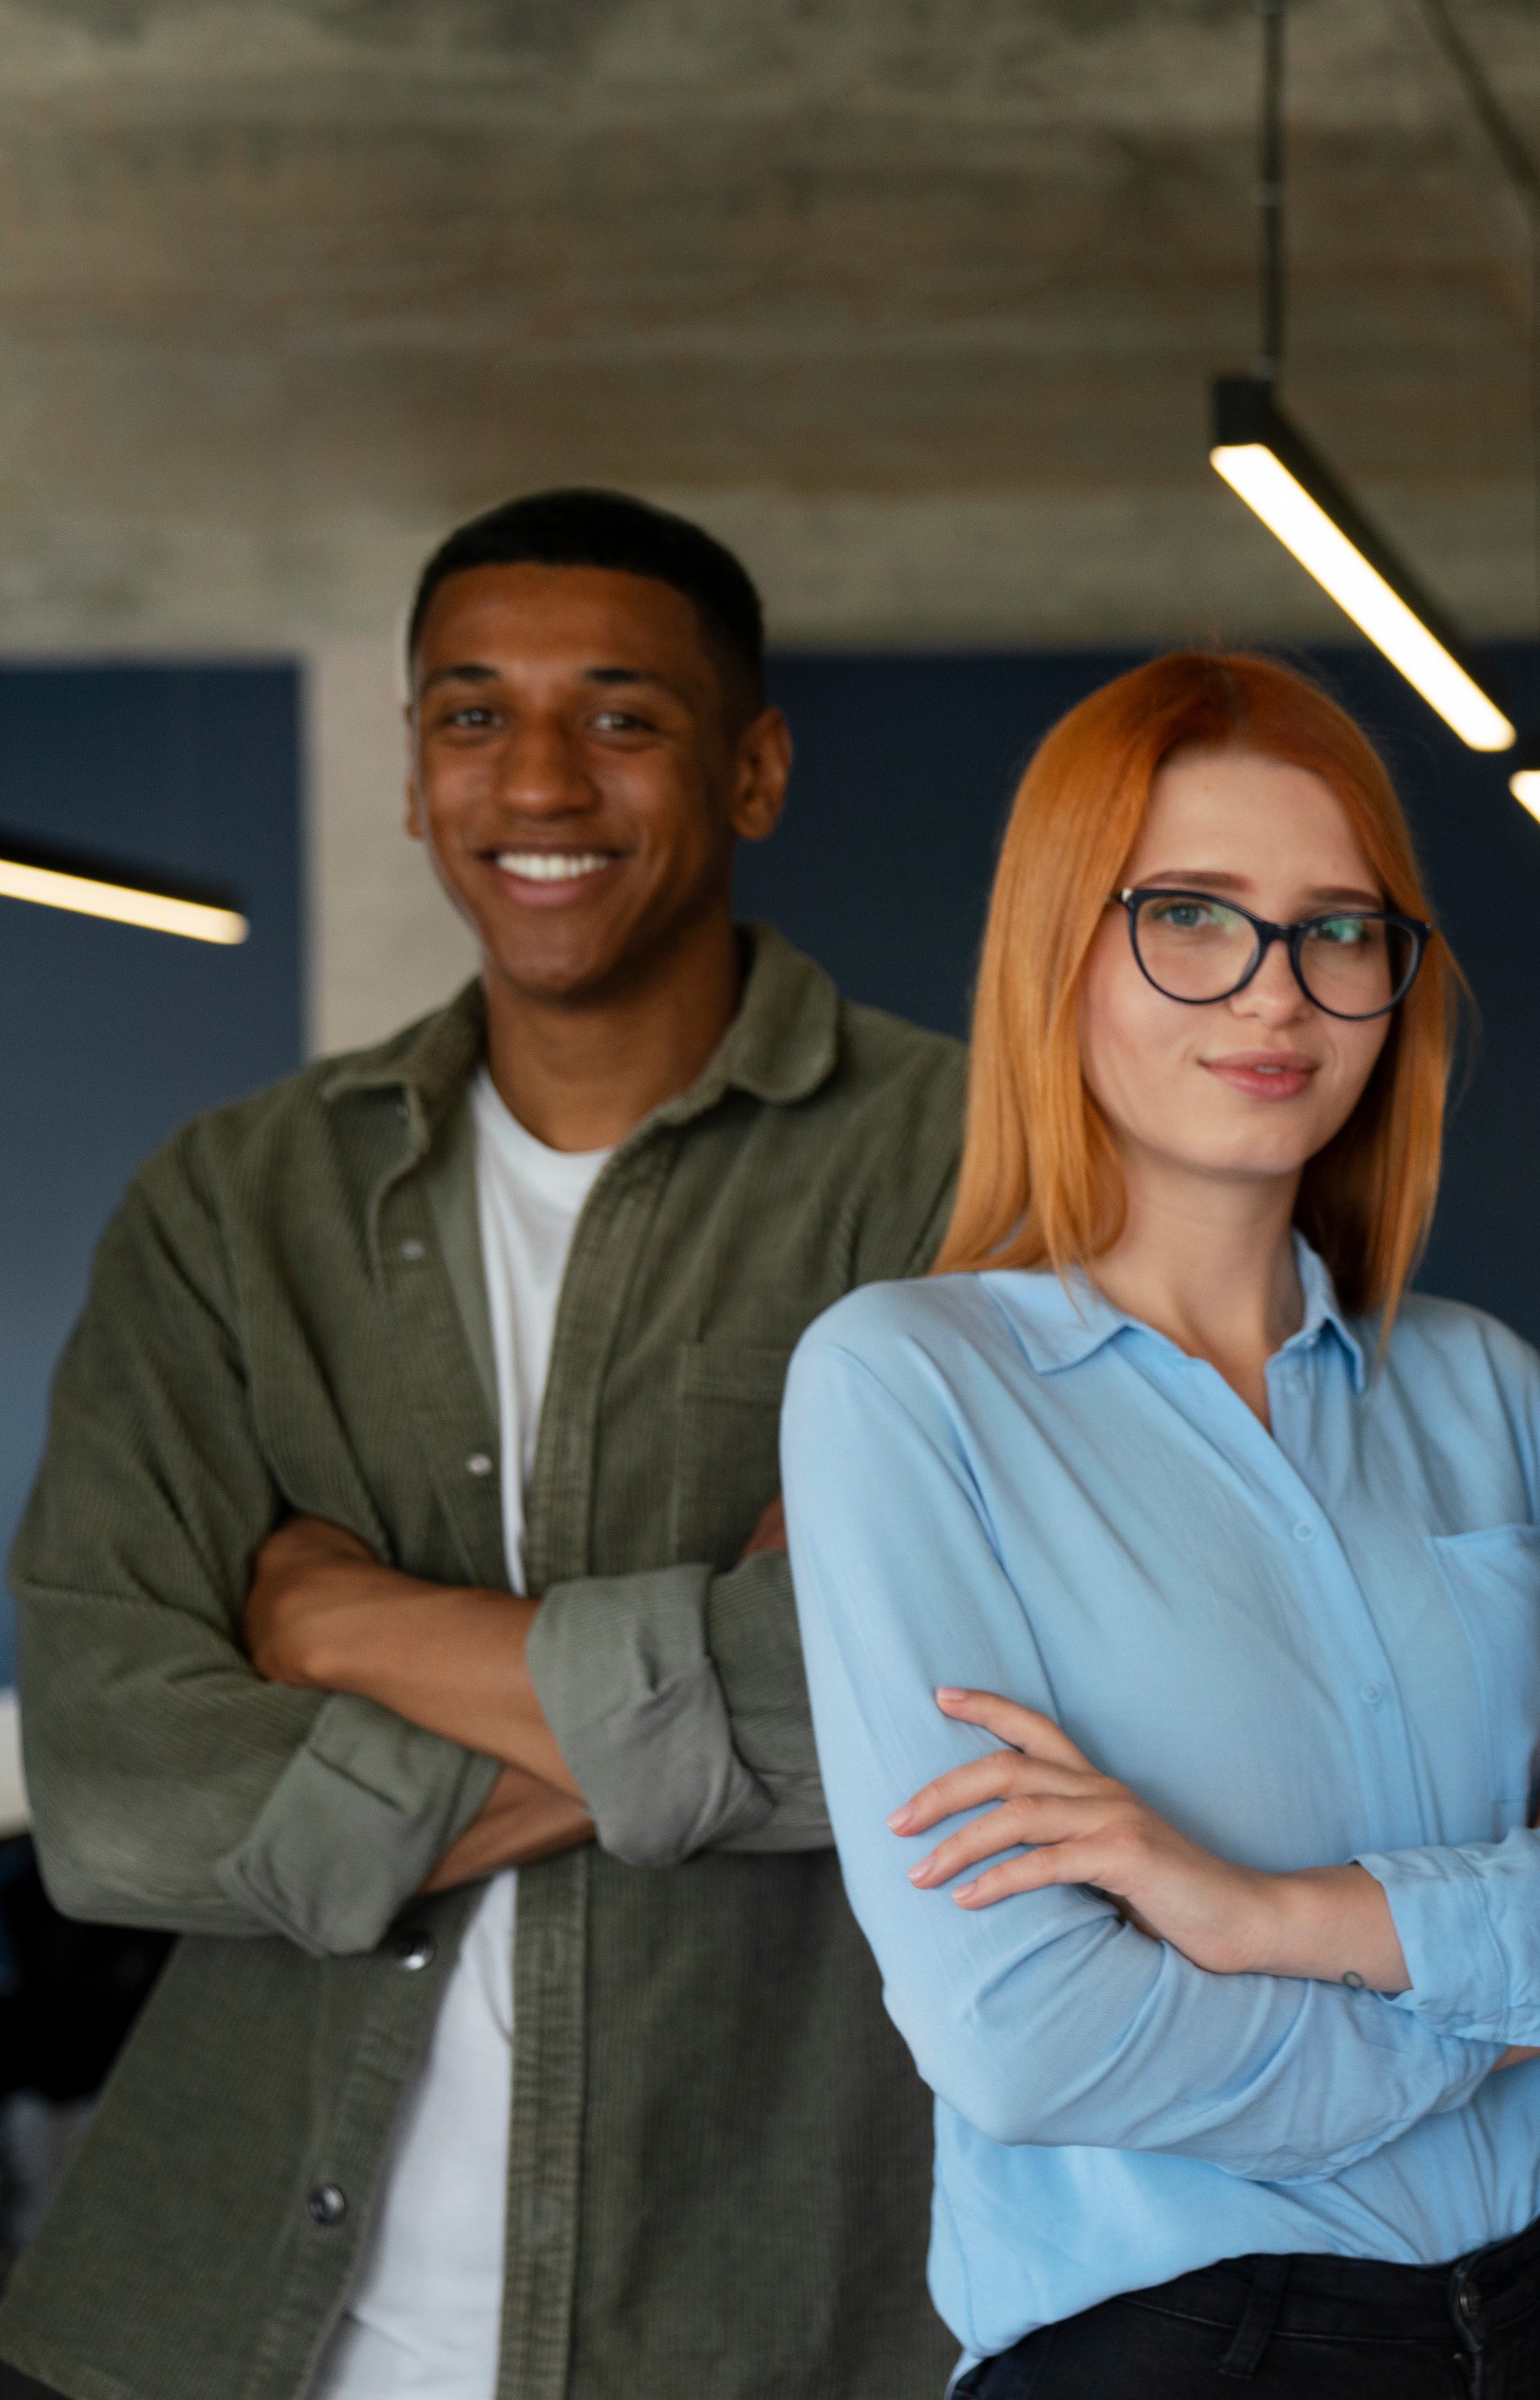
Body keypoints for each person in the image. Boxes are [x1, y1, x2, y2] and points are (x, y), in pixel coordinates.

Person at [0, 490, 968, 2400]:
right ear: (414, 765)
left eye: (619, 715)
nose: (537, 779)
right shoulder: (232, 1206)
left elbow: (952, 1704)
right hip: (227, 2327)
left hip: (770, 2319)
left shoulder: (962, 1168)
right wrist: (729, 1684)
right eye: (470, 714)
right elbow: (113, 1791)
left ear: (753, 768)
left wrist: (342, 1626)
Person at [783, 651, 1540, 2399]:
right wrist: (1497, 2008)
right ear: (1063, 946)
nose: (1276, 995)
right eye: (1191, 915)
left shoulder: (1482, 1390)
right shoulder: (910, 1387)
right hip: (1192, 2354)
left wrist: (1271, 1915)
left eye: (1339, 930)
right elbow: (1031, 2036)